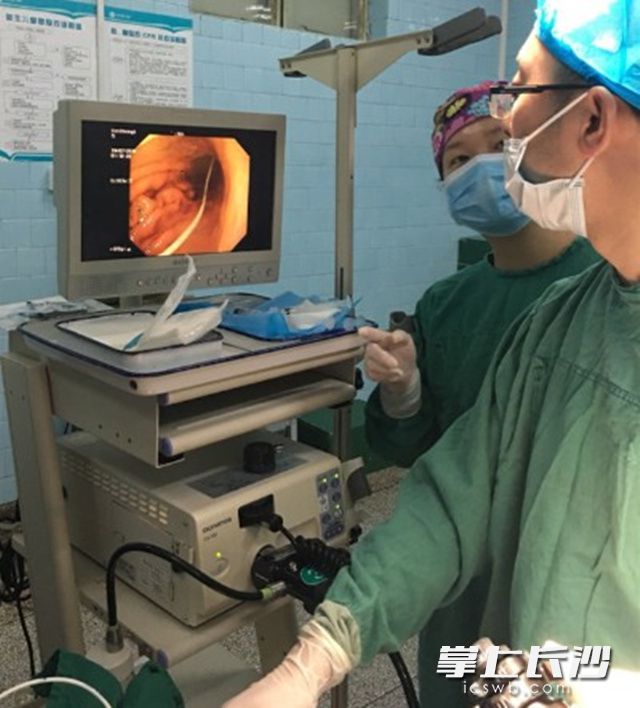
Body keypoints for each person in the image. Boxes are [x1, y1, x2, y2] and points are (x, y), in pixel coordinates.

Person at [224, 1, 640, 706]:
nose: (506, 120)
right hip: (484, 650)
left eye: (518, 90)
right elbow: (452, 500)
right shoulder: (560, 323)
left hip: (540, 674)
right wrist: (311, 663)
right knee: (455, 672)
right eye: (458, 156)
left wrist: (590, 684)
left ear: (592, 120)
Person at [359, 80, 600, 708]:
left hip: (568, 571)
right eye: (458, 159)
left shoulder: (603, 286)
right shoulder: (446, 303)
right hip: (460, 573)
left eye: (499, 144)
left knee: (555, 688)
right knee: (460, 684)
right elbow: (417, 451)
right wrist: (404, 392)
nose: (480, 168)